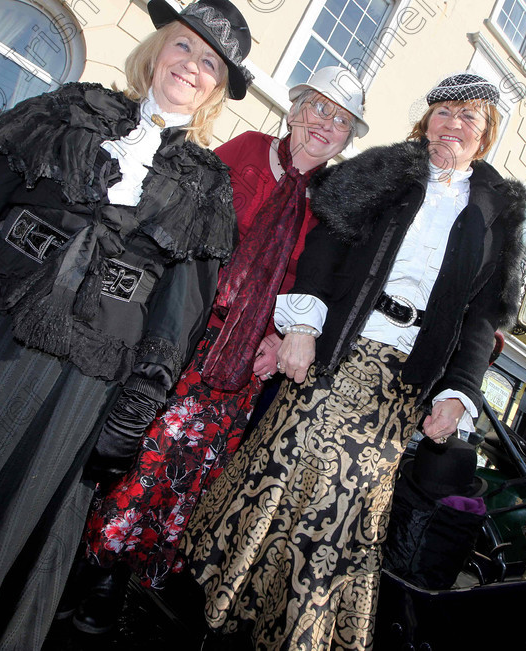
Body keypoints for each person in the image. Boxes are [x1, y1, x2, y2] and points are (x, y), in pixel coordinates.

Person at [0, 0, 252, 650]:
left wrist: (137, 403)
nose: (192, 66)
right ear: (159, 48)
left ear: (216, 90)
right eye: (185, 46)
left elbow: (178, 315)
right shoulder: (72, 106)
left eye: (210, 65)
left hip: (74, 390)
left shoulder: (207, 185)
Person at [182, 72, 526, 650]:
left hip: (402, 380)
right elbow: (326, 244)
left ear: (486, 136)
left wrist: (458, 389)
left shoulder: (499, 214)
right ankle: (217, 606)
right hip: (335, 345)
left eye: (470, 117)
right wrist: (302, 325)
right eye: (443, 112)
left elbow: (484, 316)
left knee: (343, 505)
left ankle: (288, 631)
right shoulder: (383, 173)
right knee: (285, 473)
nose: (453, 125)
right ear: (425, 122)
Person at [67, 66, 369, 634]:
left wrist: (278, 337)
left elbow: (316, 281)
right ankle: (75, 554)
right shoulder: (249, 150)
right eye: (318, 107)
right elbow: (188, 218)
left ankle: (116, 573)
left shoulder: (333, 205)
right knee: (130, 439)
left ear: (349, 139)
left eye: (341, 119)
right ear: (293, 109)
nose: (326, 123)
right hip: (184, 322)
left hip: (244, 355)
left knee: (181, 467)